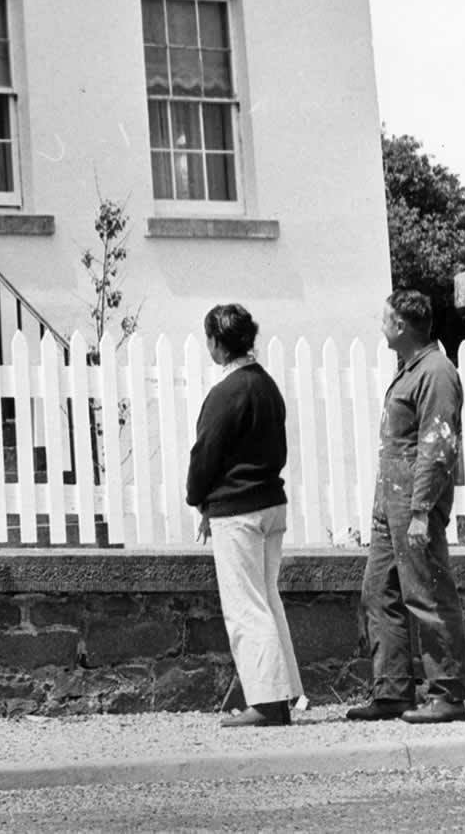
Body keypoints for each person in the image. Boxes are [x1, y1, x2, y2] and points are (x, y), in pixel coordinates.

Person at [347, 289, 465, 724]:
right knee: (379, 591)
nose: (381, 326)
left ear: (401, 326)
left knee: (427, 592)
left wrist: (421, 509)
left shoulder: (436, 372)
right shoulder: (411, 370)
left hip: (413, 502)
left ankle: (448, 692)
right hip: (391, 501)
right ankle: (393, 690)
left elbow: (438, 446)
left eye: (385, 319)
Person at [185, 303, 302, 728]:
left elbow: (205, 455)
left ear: (217, 344)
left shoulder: (224, 393)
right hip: (272, 502)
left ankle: (268, 704)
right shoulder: (267, 387)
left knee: (246, 607)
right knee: (268, 600)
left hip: (238, 510)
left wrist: (198, 498)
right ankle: (286, 694)